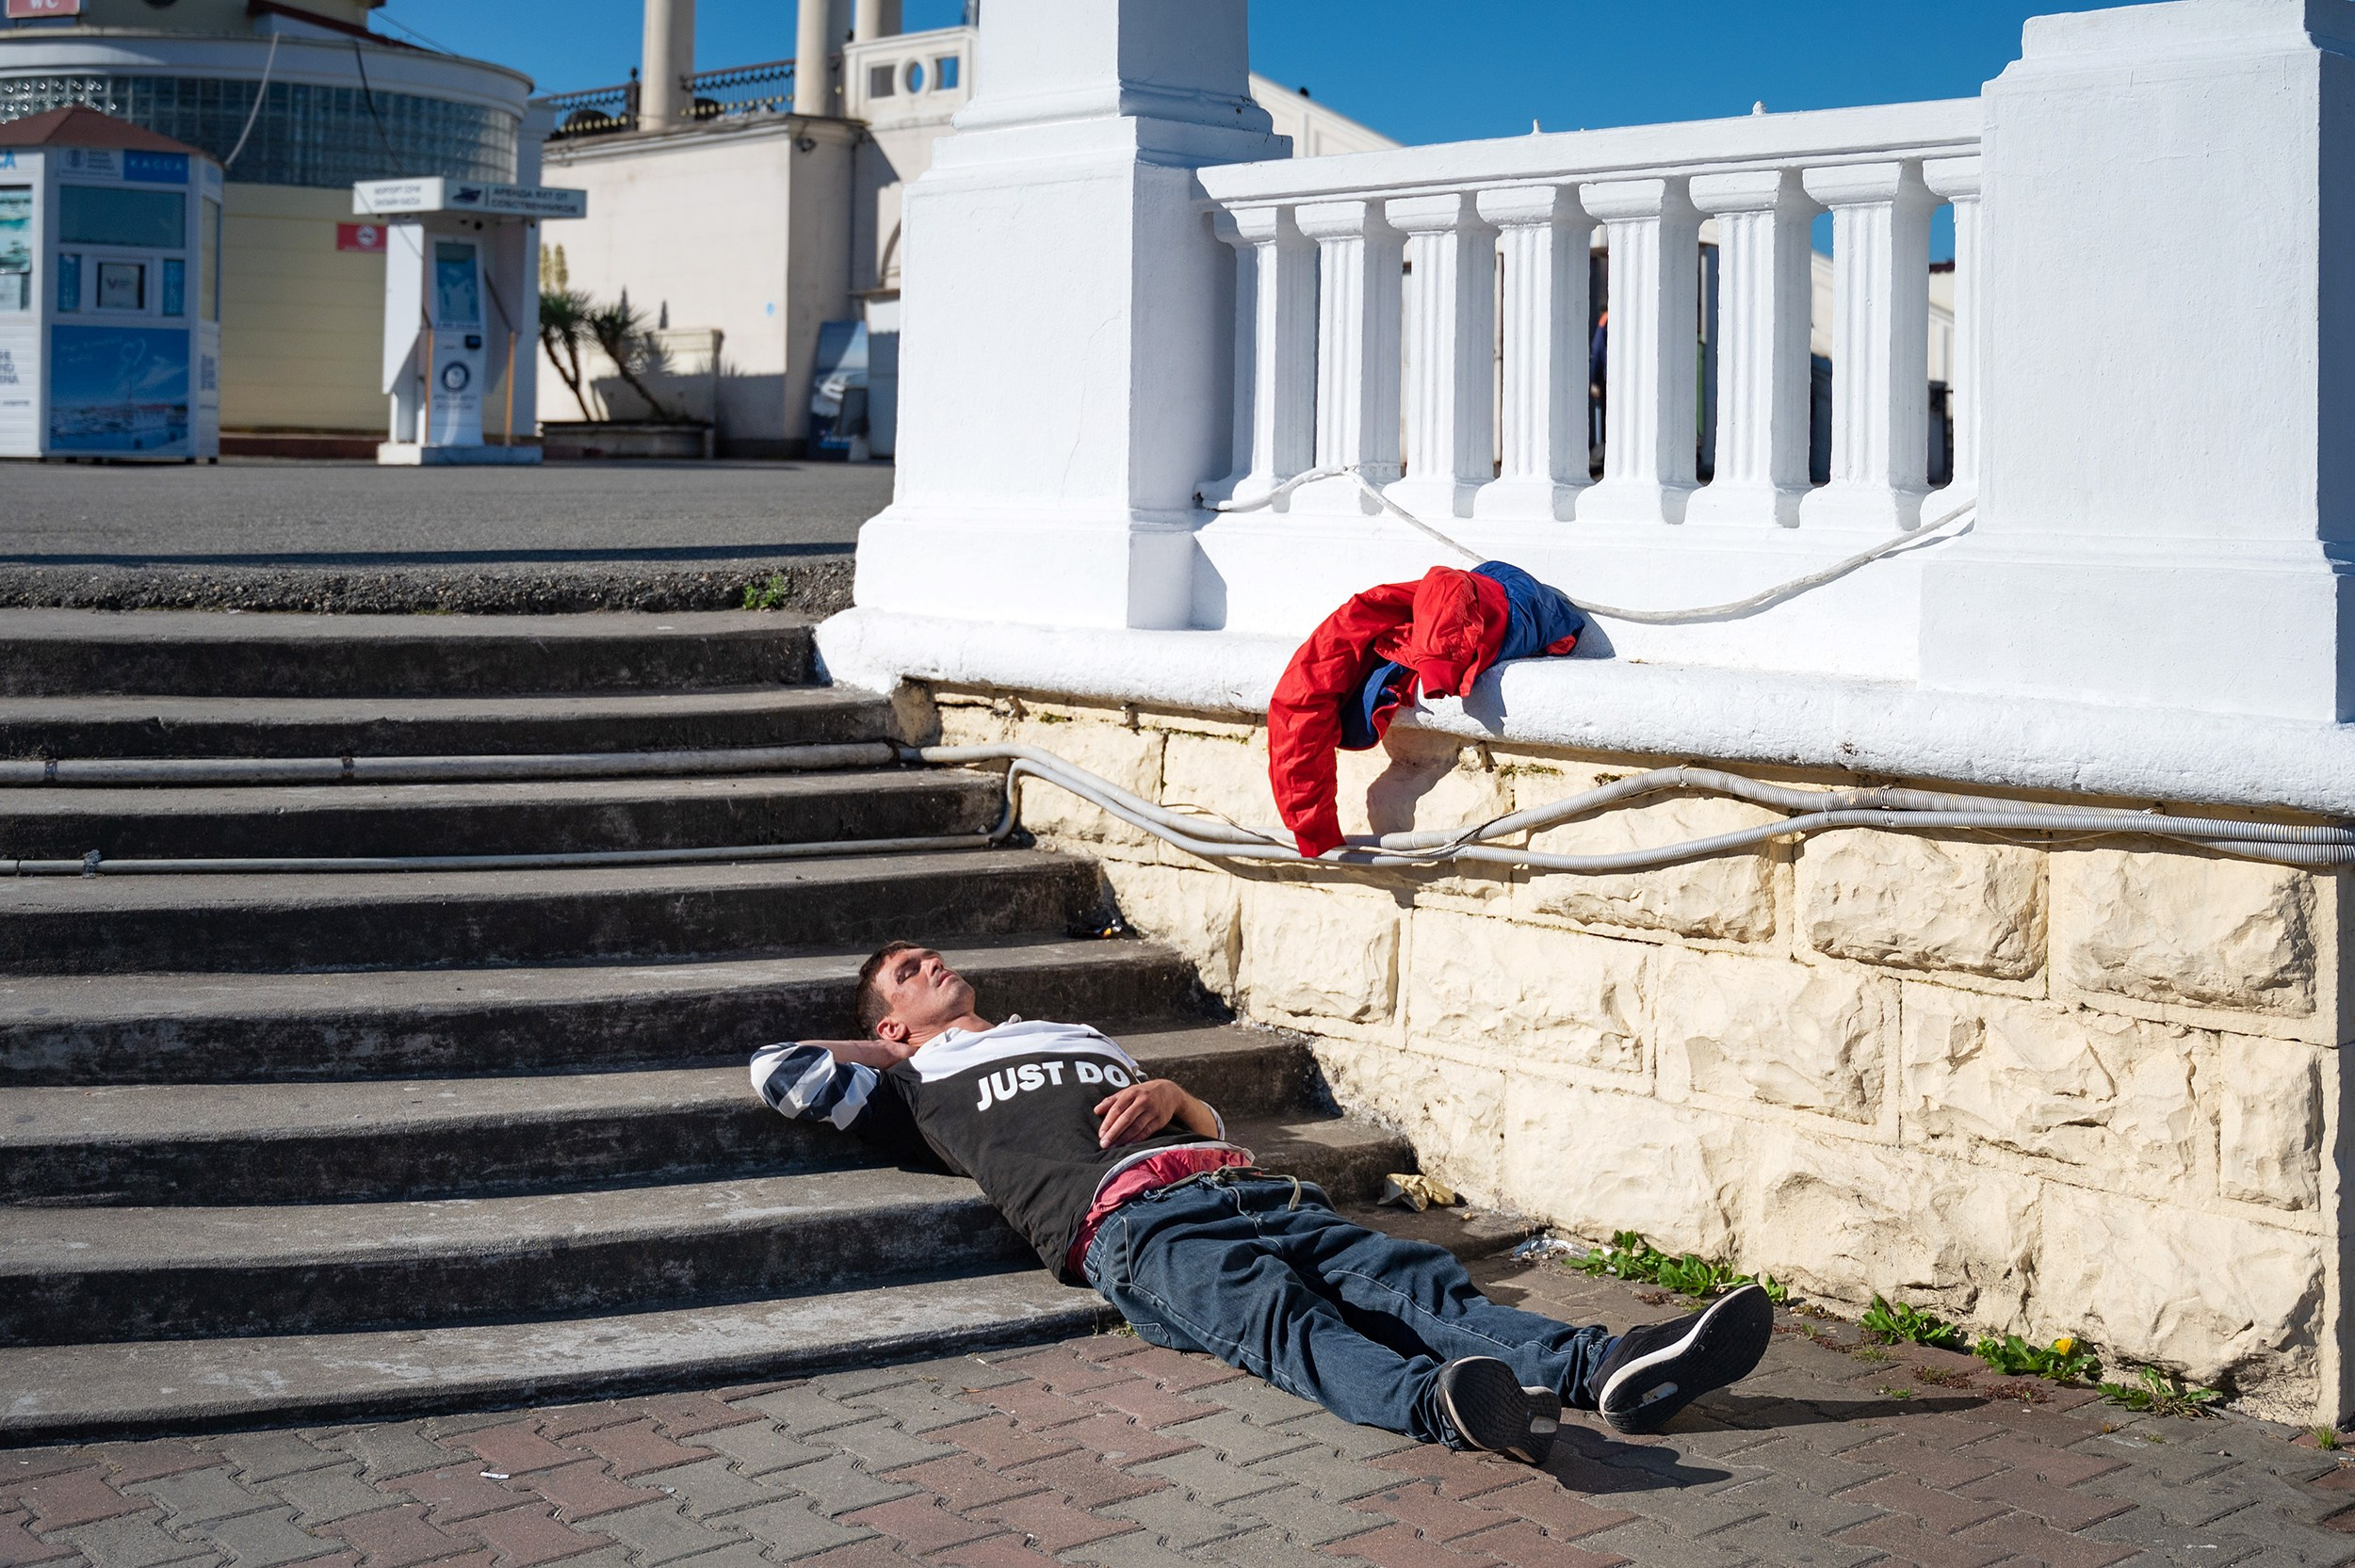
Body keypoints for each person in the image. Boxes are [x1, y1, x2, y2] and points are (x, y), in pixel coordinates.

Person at [749, 941, 1772, 1463]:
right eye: (904, 975)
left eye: (926, 957)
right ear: (892, 1024)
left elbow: (1197, 1118)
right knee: (1287, 1328)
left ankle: (1609, 1369)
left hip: (1233, 1182)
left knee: (1413, 1285)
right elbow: (779, 1073)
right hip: (1132, 1231)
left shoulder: (1070, 1032)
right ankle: (1456, 1412)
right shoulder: (916, 1091)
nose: (929, 965)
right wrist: (881, 1051)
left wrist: (1179, 1095)